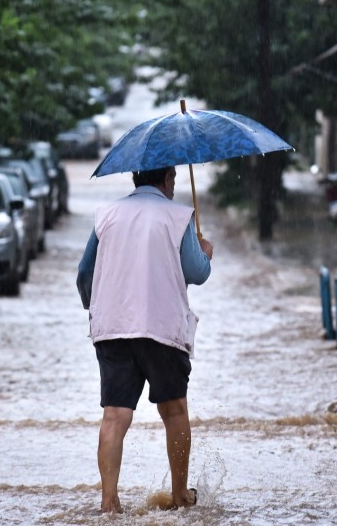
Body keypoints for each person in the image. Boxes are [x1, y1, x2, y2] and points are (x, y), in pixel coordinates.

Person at [77, 165, 214, 514]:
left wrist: (95, 305)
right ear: (167, 179)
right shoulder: (179, 216)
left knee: (115, 416)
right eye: (173, 180)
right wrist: (205, 252)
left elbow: (84, 274)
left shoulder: (106, 214)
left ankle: (109, 502)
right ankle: (180, 495)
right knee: (174, 409)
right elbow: (196, 273)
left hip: (113, 328)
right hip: (161, 327)